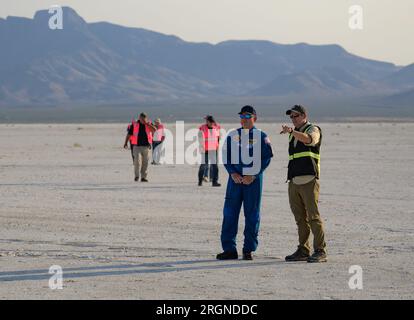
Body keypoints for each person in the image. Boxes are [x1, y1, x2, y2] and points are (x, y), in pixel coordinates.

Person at [217, 105, 273, 260]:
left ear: (255, 118)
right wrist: (232, 173)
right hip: (235, 181)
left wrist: (254, 175)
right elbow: (226, 156)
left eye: (248, 116)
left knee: (252, 214)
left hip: (252, 182)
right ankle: (229, 249)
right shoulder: (233, 135)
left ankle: (248, 249)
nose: (244, 119)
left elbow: (266, 158)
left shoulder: (262, 136)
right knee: (229, 214)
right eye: (242, 116)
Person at [280, 105, 327, 263]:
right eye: (291, 117)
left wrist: (292, 131)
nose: (293, 119)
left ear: (304, 115)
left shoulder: (313, 129)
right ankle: (303, 249)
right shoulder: (293, 134)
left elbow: (309, 140)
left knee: (313, 216)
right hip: (294, 181)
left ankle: (320, 250)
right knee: (300, 218)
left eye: (296, 116)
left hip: (309, 180)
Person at [123, 113, 157, 182]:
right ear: (139, 118)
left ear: (146, 118)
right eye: (141, 118)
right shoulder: (135, 124)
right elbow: (129, 134)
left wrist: (147, 124)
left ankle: (143, 177)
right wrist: (125, 143)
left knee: (145, 162)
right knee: (137, 162)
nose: (142, 120)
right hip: (136, 146)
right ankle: (137, 176)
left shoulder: (149, 124)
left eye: (144, 119)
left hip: (146, 147)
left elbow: (154, 130)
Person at [198, 115, 221, 187]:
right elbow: (200, 139)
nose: (211, 123)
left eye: (212, 122)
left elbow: (218, 138)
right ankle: (200, 181)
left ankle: (215, 182)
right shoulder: (203, 128)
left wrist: (217, 147)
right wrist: (202, 148)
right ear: (207, 122)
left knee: (215, 167)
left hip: (214, 150)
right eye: (209, 122)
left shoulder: (216, 128)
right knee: (203, 166)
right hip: (205, 150)